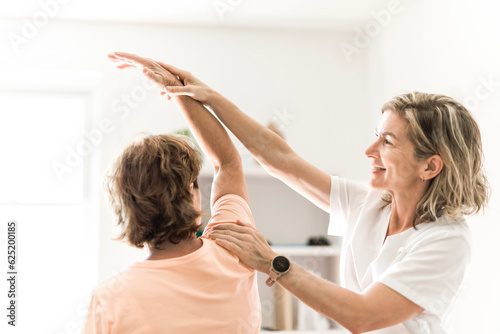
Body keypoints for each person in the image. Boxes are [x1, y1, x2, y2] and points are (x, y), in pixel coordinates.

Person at [126, 58, 489, 334]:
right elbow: (280, 159)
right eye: (376, 135)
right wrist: (200, 95)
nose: (369, 150)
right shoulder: (372, 205)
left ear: (430, 167)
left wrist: (272, 261)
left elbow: (363, 316)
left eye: (387, 141)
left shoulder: (446, 240)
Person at [83, 52, 261, 334]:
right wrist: (176, 89)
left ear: (126, 209)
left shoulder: (109, 300)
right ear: (192, 194)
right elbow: (228, 162)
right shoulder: (234, 252)